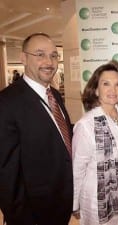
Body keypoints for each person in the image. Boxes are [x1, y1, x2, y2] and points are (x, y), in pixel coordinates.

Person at [0, 33, 73, 225]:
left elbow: (59, 139)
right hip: (32, 215)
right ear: (23, 58)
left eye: (54, 55)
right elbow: (6, 174)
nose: (49, 62)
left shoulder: (54, 95)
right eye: (40, 54)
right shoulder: (7, 103)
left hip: (59, 207)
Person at [72, 61, 118, 225]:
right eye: (106, 84)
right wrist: (74, 203)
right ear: (96, 90)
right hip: (99, 201)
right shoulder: (86, 125)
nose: (113, 90)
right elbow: (77, 169)